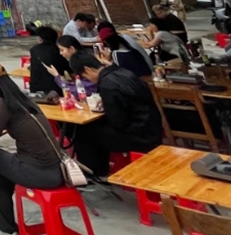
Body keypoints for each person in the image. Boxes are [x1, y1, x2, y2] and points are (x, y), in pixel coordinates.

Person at [0, 63, 65, 234]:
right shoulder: (23, 99)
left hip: (38, 171)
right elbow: (13, 124)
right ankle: (0, 210)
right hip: (56, 169)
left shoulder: (3, 103)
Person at [68, 49, 161, 177]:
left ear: (88, 70)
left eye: (85, 76)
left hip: (139, 137)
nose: (88, 79)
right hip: (153, 127)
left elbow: (118, 122)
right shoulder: (122, 72)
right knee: (95, 129)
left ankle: (95, 173)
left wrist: (106, 107)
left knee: (84, 131)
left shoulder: (107, 84)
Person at [28, 26, 70, 95]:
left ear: (41, 39)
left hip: (35, 89)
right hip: (57, 90)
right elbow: (70, 71)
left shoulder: (33, 50)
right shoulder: (59, 51)